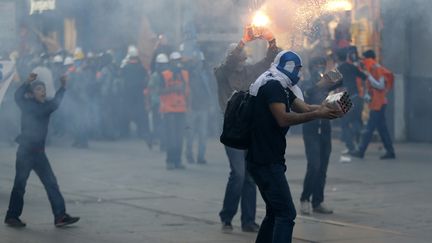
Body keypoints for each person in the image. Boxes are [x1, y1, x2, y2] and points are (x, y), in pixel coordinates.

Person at [247, 50, 344, 243]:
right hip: (265, 159)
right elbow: (283, 119)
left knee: (274, 213)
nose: (298, 73)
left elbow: (305, 107)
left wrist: (326, 108)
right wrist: (318, 115)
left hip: (267, 157)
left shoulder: (281, 85)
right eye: (296, 68)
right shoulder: (273, 85)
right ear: (288, 66)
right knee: (286, 214)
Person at [214, 26, 278, 232]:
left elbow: (270, 61)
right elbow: (229, 63)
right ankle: (227, 216)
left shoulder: (250, 71)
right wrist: (242, 40)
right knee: (239, 173)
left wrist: (272, 40)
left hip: (250, 127)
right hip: (232, 128)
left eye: (242, 52)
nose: (241, 57)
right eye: (239, 53)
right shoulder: (222, 72)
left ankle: (248, 220)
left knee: (251, 175)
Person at [4, 73, 80, 228]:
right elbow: (17, 95)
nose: (42, 91)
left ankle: (60, 216)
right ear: (31, 94)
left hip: (39, 153)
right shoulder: (26, 104)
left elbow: (56, 102)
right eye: (38, 89)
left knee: (51, 184)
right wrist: (26, 82)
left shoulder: (46, 106)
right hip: (25, 152)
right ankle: (12, 216)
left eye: (43, 89)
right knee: (20, 185)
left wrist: (63, 87)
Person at [299, 56, 341, 215]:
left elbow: (341, 84)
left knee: (323, 168)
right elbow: (309, 94)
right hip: (311, 130)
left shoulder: (328, 84)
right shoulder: (307, 83)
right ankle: (305, 198)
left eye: (321, 65)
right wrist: (323, 82)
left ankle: (318, 201)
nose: (319, 68)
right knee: (314, 165)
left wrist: (333, 71)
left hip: (325, 130)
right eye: (317, 65)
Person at [351, 50, 396, 159]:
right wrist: (368, 95)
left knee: (369, 128)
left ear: (369, 59)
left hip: (378, 104)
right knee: (382, 129)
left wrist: (368, 77)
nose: (363, 61)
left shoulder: (376, 68)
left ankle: (361, 150)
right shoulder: (373, 68)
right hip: (378, 103)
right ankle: (390, 151)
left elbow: (380, 85)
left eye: (364, 59)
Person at [160, 52, 190, 170]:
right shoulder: (164, 75)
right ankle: (170, 161)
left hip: (181, 109)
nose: (178, 63)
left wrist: (189, 106)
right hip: (169, 110)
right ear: (171, 62)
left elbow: (188, 91)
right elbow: (158, 91)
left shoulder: (185, 74)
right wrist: (173, 88)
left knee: (179, 137)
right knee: (171, 137)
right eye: (175, 60)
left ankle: (177, 160)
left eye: (179, 60)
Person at [336, 48, 367, 154]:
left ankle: (351, 147)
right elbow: (364, 77)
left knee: (344, 124)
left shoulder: (338, 68)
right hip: (356, 96)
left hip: (346, 98)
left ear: (337, 58)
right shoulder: (353, 67)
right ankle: (360, 143)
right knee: (356, 121)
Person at [121, 45, 150, 140]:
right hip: (139, 93)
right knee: (141, 113)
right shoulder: (141, 68)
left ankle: (125, 132)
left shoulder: (125, 67)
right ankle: (142, 132)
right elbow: (146, 79)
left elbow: (121, 77)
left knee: (126, 112)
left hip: (128, 93)